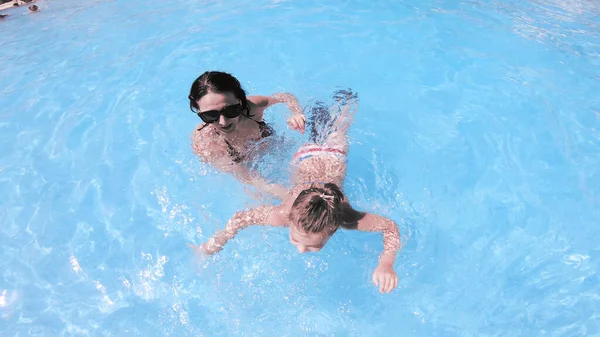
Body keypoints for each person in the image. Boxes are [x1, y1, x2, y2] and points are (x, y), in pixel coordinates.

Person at [189, 91, 402, 293]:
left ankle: (340, 100)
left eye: (314, 246)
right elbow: (239, 219)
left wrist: (386, 264)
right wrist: (209, 247)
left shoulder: (347, 218)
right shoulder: (283, 215)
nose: (301, 249)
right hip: (319, 156)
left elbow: (391, 228)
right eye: (296, 240)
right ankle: (338, 100)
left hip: (323, 159)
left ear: (335, 228)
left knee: (332, 125)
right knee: (335, 128)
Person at [188, 71, 306, 199]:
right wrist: (292, 197)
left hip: (273, 147)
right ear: (199, 112)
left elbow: (286, 97)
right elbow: (255, 181)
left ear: (240, 101)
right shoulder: (207, 142)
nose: (223, 122)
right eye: (210, 115)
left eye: (231, 110)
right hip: (247, 170)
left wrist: (295, 113)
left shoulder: (252, 108)